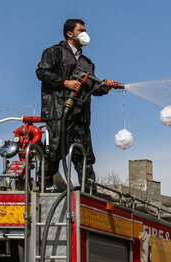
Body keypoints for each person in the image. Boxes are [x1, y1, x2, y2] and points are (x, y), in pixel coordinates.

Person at [36, 18, 117, 189]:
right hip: (59, 111)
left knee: (84, 152)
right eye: (81, 30)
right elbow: (42, 72)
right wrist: (64, 83)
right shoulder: (54, 52)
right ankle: (44, 185)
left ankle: (88, 188)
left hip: (80, 115)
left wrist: (104, 88)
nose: (85, 34)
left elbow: (90, 88)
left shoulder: (87, 63)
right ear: (69, 33)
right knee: (55, 149)